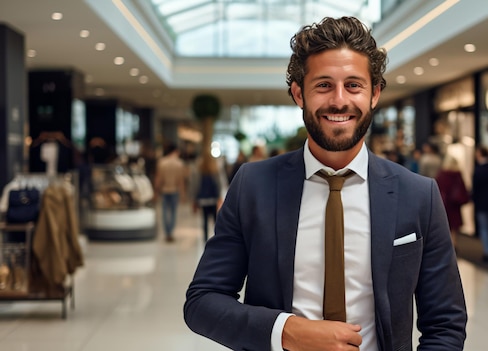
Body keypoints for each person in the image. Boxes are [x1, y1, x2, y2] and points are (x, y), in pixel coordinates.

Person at [184, 16, 467, 350]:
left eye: (353, 85)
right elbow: (202, 301)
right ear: (298, 94)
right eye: (323, 85)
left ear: (374, 93)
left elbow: (445, 323)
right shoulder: (253, 185)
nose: (339, 100)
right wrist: (285, 331)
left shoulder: (418, 194)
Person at [189, 156, 228, 242]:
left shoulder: (199, 169)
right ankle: (216, 237)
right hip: (213, 197)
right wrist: (220, 196)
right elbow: (219, 183)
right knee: (215, 219)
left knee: (205, 220)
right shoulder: (214, 168)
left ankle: (205, 239)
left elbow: (195, 184)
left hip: (203, 198)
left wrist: (194, 198)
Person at [153, 144, 186, 243]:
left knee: (164, 212)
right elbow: (181, 181)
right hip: (174, 190)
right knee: (173, 212)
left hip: (164, 190)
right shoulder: (179, 163)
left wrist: (156, 191)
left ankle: (167, 232)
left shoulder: (162, 162)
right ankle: (170, 232)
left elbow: (158, 178)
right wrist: (183, 193)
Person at [435, 155, 469, 248]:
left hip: (445, 203)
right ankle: (454, 242)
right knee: (455, 225)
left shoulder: (442, 174)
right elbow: (462, 188)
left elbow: (438, 188)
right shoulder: (457, 174)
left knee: (446, 224)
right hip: (455, 204)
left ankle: (448, 243)